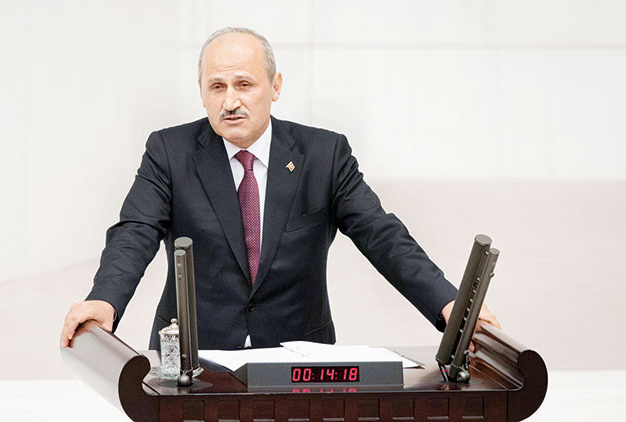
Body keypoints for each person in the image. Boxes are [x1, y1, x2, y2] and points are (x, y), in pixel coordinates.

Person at [60, 27, 500, 350]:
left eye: (244, 84)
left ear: (275, 87)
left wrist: (449, 304)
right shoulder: (169, 152)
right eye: (217, 87)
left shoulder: (324, 155)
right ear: (201, 92)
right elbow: (135, 233)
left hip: (298, 356)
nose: (230, 101)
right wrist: (104, 300)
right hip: (195, 356)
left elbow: (382, 235)